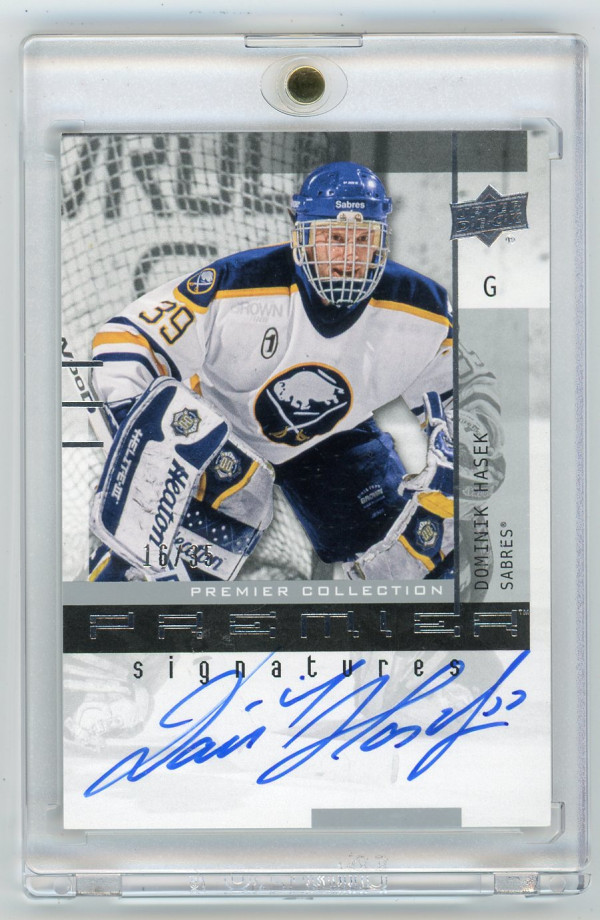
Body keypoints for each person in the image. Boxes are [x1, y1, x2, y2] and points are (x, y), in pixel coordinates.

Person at [89, 161, 454, 582]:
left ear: (382, 241)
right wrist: (135, 425)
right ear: (300, 234)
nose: (349, 256)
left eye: (363, 239)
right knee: (157, 567)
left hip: (334, 443)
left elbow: (461, 392)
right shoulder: (236, 284)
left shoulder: (421, 306)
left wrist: (459, 445)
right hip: (226, 439)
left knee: (422, 549)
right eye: (334, 237)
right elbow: (127, 338)